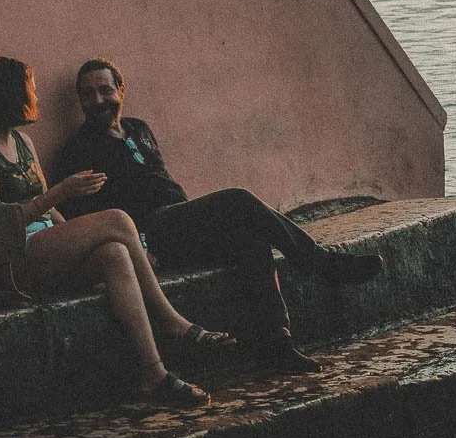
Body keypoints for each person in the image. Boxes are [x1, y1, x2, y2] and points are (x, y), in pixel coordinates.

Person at [48, 57, 383, 373]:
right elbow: (89, 218)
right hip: (151, 235)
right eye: (88, 94)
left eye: (105, 90)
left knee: (248, 238)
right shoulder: (79, 151)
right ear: (80, 102)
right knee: (237, 199)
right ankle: (321, 263)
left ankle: (277, 342)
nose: (98, 99)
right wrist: (142, 248)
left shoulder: (138, 129)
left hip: (181, 223)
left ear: (121, 89)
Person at [0, 56, 234, 406]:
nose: (34, 98)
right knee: (116, 219)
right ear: (9, 95)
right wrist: (60, 193)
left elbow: (46, 206)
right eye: (30, 90)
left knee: (113, 252)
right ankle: (172, 321)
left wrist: (75, 234)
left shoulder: (22, 142)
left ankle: (153, 374)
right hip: (8, 265)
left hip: (43, 250)